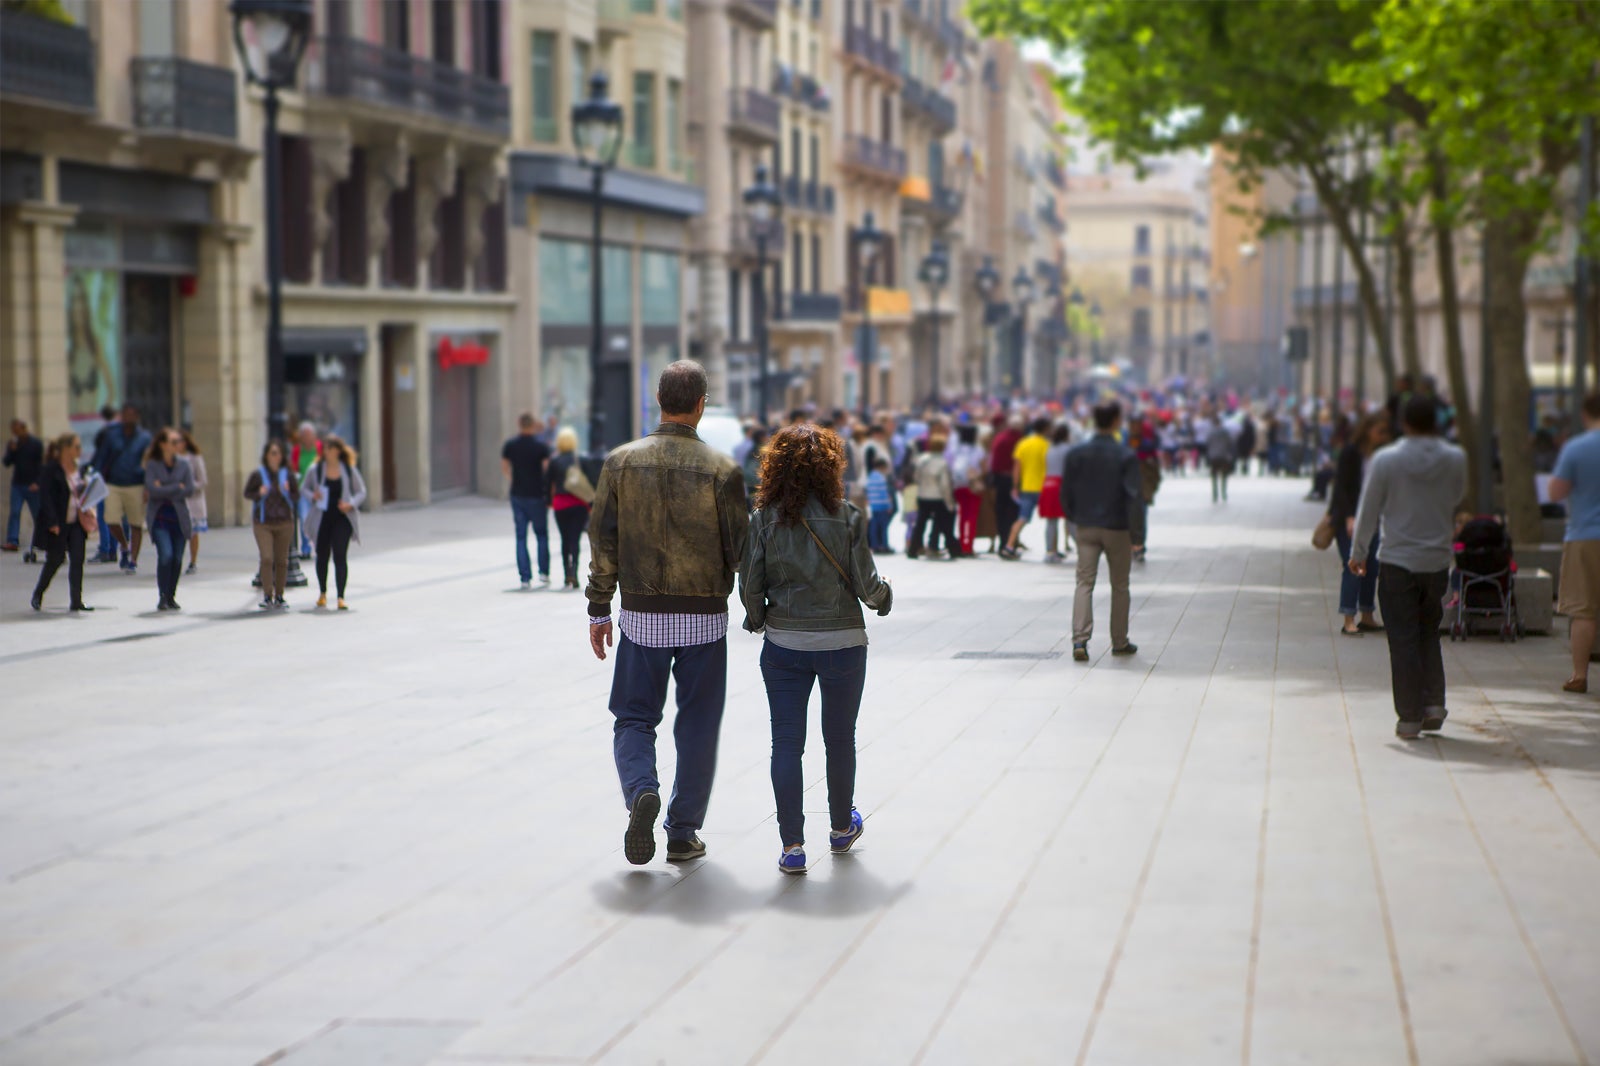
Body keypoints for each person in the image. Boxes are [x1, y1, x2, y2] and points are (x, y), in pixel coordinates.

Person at [585, 360, 749, 866]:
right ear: (701, 405)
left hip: (640, 615)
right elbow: (742, 550)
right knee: (698, 725)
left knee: (634, 717)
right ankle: (682, 832)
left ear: (658, 402)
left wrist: (598, 608)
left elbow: (602, 541)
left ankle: (641, 793)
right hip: (704, 617)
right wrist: (759, 607)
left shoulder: (619, 463)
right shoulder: (724, 471)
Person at [741, 423, 893, 874]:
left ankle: (792, 846)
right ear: (831, 468)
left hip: (785, 644)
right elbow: (868, 586)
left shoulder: (764, 518)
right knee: (839, 739)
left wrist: (757, 618)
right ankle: (842, 828)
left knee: (786, 743)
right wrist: (885, 597)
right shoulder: (848, 516)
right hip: (844, 643)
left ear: (776, 467)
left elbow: (750, 582)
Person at [1349, 395, 1468, 739]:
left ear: (1404, 423)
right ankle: (1434, 704)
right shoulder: (1455, 458)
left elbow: (1368, 508)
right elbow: (1458, 496)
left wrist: (1358, 552)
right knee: (1429, 631)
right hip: (1435, 560)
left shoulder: (1386, 460)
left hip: (1397, 559)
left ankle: (1410, 717)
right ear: (1437, 422)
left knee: (1402, 639)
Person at [1063, 402, 1144, 662]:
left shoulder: (1076, 454)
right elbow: (1134, 498)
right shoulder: (1125, 455)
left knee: (1084, 582)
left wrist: (1074, 518)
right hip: (1116, 526)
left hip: (1086, 525)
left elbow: (1066, 492)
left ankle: (1080, 639)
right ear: (1117, 421)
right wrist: (1138, 535)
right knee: (1120, 585)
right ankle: (1119, 641)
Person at [1547, 392, 1600, 693]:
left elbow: (1555, 492)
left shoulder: (1576, 448)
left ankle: (1579, 675)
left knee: (1583, 610)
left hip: (1584, 535)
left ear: (1585, 414)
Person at [1328, 414, 1390, 637]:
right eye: (1379, 430)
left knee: (1372, 567)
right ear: (1367, 429)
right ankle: (1348, 617)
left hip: (1375, 518)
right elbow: (1341, 487)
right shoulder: (1351, 453)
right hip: (1350, 518)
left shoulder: (1383, 456)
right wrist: (1348, 516)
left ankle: (1367, 615)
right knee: (1353, 564)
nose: (1383, 436)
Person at [30, 433, 94, 612]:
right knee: (55, 560)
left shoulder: (79, 469)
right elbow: (46, 497)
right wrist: (52, 522)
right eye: (77, 446)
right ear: (65, 449)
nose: (80, 450)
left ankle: (76, 600)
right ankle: (38, 593)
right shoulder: (51, 469)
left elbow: (82, 492)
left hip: (76, 523)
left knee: (77, 560)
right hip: (59, 522)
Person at [303, 436, 367, 610]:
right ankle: (322, 593)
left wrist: (350, 504)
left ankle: (340, 597)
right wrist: (313, 496)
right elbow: (304, 489)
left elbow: (361, 491)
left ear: (337, 450)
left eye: (329, 448)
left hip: (342, 518)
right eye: (324, 449)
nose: (326, 452)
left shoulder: (347, 469)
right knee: (322, 556)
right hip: (322, 518)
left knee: (340, 555)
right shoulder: (316, 470)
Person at [143, 427, 195, 612]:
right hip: (160, 519)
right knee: (166, 556)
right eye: (174, 442)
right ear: (163, 445)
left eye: (179, 441)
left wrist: (164, 486)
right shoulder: (153, 465)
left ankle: (171, 596)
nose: (178, 445)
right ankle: (162, 596)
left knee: (177, 560)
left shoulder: (184, 464)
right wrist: (175, 487)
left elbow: (189, 489)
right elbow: (153, 490)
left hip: (179, 519)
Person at [244, 440, 299, 610]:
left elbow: (297, 496)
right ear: (266, 456)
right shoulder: (258, 475)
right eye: (272, 453)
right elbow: (248, 493)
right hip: (263, 523)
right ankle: (268, 595)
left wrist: (288, 491)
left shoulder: (287, 475)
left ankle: (280, 595)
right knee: (267, 558)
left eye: (278, 453)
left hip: (284, 522)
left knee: (282, 560)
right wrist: (259, 493)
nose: (276, 457)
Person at [97, 404, 152, 573]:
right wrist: (96, 478)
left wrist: (148, 487)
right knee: (111, 519)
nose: (129, 418)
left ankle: (133, 559)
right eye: (126, 415)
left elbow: (150, 463)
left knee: (136, 523)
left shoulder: (144, 438)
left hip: (136, 483)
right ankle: (124, 545)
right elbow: (102, 457)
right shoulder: (112, 436)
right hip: (113, 483)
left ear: (137, 417)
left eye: (132, 415)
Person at [502, 412, 552, 589]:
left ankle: (525, 577)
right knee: (541, 535)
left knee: (521, 536)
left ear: (518, 424)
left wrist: (513, 480)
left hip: (518, 494)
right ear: (533, 426)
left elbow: (505, 467)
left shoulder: (511, 445)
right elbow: (547, 470)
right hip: (537, 495)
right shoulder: (541, 447)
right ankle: (544, 574)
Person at [548, 427, 594, 589]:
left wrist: (548, 502)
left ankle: (566, 573)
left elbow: (547, 484)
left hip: (560, 504)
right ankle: (574, 572)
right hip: (578, 505)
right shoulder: (581, 459)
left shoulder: (555, 461)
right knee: (575, 539)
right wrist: (591, 505)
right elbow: (589, 483)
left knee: (565, 539)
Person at [1002, 418, 1050, 560]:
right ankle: (1052, 549)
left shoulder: (1023, 444)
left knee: (1022, 518)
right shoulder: (1047, 445)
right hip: (1044, 486)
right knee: (1051, 519)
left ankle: (1009, 546)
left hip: (1027, 487)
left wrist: (1015, 486)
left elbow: (1017, 467)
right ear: (1046, 429)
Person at [907, 435, 956, 560]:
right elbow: (945, 485)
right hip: (937, 496)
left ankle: (913, 549)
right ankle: (952, 548)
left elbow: (916, 477)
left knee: (920, 524)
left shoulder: (922, 460)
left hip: (923, 495)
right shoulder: (942, 463)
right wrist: (949, 502)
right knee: (944, 523)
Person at [4, 419, 44, 560]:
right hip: (18, 484)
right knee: (15, 512)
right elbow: (6, 462)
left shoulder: (35, 444)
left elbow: (41, 464)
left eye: (16, 430)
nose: (15, 433)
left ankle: (42, 540)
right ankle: (12, 540)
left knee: (37, 514)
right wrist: (11, 451)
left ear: (23, 429)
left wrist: (38, 482)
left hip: (32, 484)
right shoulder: (14, 444)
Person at [949, 423, 985, 558]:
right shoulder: (978, 450)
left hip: (958, 485)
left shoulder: (956, 449)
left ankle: (962, 543)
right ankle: (968, 546)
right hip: (973, 485)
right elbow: (984, 468)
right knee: (972, 516)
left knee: (962, 516)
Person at [989, 415, 1024, 551]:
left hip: (999, 479)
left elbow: (994, 460)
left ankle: (1003, 541)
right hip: (1014, 480)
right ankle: (1010, 542)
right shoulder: (1020, 439)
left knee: (1001, 511)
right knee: (1013, 512)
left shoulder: (1000, 438)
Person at [89, 405, 118, 562]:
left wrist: (91, 470)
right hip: (119, 480)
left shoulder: (105, 433)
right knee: (114, 516)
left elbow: (99, 456)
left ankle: (105, 549)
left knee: (103, 515)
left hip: (105, 478)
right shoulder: (122, 432)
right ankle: (114, 549)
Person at [1041, 422, 1072, 564]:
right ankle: (1083, 548)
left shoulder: (1050, 448)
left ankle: (1050, 551)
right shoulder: (1068, 449)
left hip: (1048, 484)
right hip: (1063, 484)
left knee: (1051, 521)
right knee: (1071, 519)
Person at [176, 430, 207, 575]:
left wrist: (189, 485)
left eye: (179, 441)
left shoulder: (194, 458)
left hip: (192, 501)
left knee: (193, 533)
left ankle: (193, 561)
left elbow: (202, 481)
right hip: (176, 500)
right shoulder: (171, 458)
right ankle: (176, 560)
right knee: (177, 532)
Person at [290, 422, 322, 559]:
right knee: (304, 518)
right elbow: (294, 469)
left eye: (310, 435)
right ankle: (306, 548)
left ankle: (320, 546)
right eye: (304, 436)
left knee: (320, 520)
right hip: (304, 491)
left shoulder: (320, 448)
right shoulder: (297, 450)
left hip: (319, 491)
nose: (307, 439)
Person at [865, 456, 895, 553]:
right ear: (882, 467)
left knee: (874, 527)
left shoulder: (870, 477)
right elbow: (884, 493)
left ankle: (874, 545)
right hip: (882, 506)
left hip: (874, 506)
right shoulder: (881, 478)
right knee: (883, 528)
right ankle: (884, 545)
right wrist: (889, 505)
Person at [1205, 416, 1236, 503]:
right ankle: (1223, 492)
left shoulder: (1210, 432)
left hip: (1213, 456)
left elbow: (1207, 443)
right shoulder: (1225, 432)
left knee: (1214, 475)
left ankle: (1215, 493)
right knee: (1224, 475)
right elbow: (1230, 443)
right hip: (1223, 456)